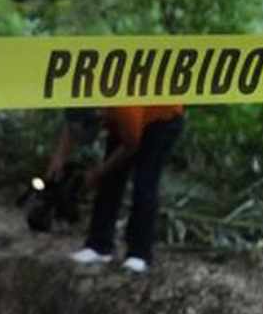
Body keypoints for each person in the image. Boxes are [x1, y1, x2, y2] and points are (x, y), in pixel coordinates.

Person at [47, 105, 185, 274]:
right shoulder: (85, 99)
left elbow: (130, 145)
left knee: (144, 184)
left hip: (162, 118)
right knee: (110, 181)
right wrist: (59, 158)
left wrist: (98, 172)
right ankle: (99, 246)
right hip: (125, 119)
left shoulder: (124, 111)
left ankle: (139, 254)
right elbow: (73, 123)